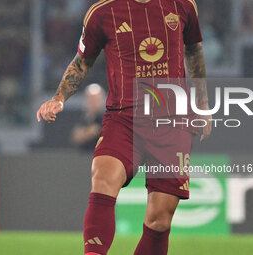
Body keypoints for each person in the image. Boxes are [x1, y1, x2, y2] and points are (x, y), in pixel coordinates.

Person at [37, 0, 212, 254]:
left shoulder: (182, 5)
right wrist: (59, 97)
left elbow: (194, 50)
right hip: (123, 119)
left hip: (172, 122)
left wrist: (203, 102)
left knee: (159, 219)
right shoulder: (102, 12)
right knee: (103, 177)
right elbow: (82, 61)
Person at [71, 84, 105, 151]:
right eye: (91, 99)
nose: (93, 102)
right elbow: (75, 137)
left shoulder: (108, 118)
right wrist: (88, 132)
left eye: (96, 99)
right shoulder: (81, 117)